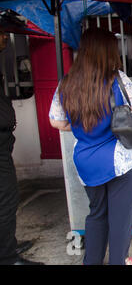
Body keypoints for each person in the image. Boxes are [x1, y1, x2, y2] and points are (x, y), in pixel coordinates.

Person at [49, 28, 132, 265]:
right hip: (118, 161)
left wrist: (80, 126)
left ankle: (91, 261)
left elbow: (56, 121)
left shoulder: (66, 83)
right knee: (120, 217)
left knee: (96, 213)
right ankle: (119, 261)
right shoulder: (118, 79)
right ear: (108, 52)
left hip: (85, 159)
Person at [0, 26, 43, 265]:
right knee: (6, 197)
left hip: (5, 141)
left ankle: (8, 243)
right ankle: (7, 257)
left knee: (6, 195)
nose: (6, 36)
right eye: (1, 32)